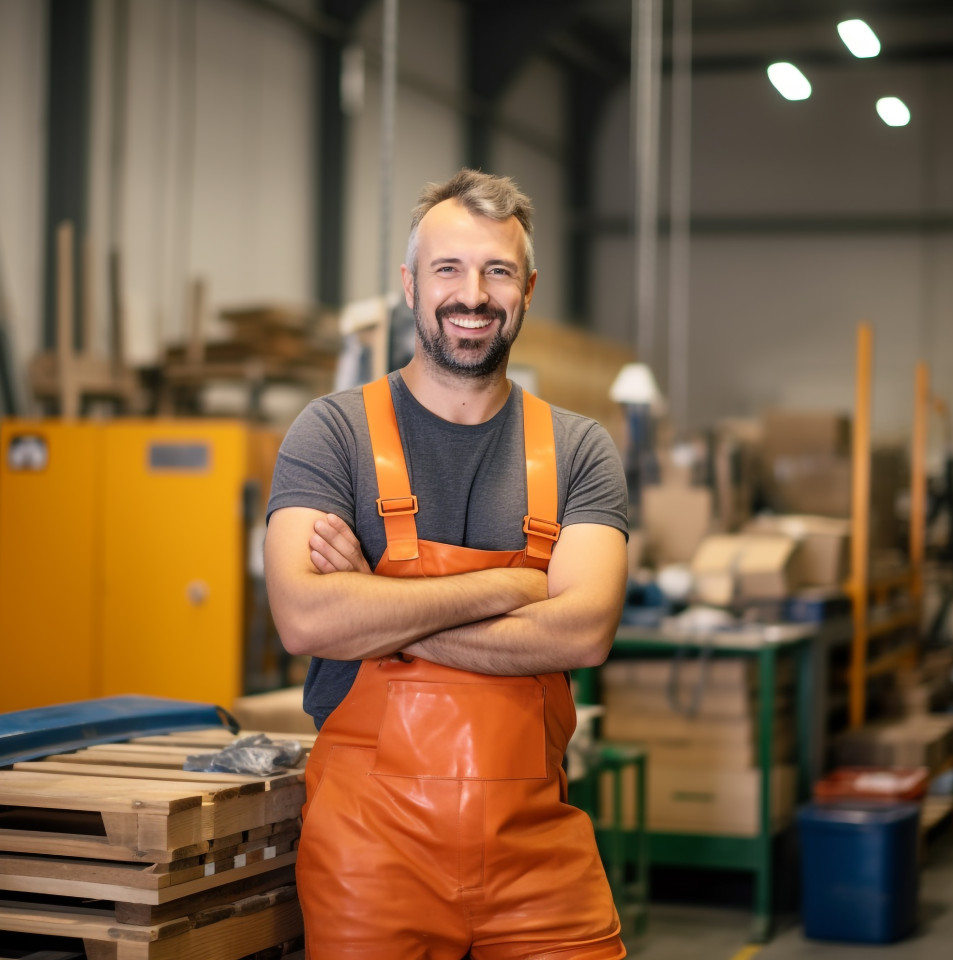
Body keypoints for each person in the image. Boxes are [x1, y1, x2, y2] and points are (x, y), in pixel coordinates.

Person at [264, 168, 630, 959]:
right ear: (409, 285)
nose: (474, 294)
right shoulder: (332, 436)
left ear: (527, 288)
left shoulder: (579, 449)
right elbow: (304, 618)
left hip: (538, 854)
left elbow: (584, 633)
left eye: (497, 270)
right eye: (449, 269)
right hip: (370, 855)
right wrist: (512, 587)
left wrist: (378, 609)